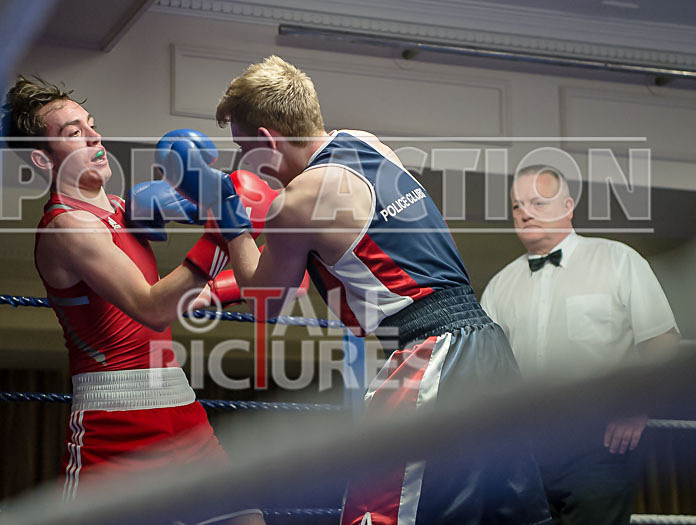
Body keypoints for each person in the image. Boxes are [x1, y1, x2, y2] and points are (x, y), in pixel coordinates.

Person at [156, 56, 552, 524]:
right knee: (511, 514)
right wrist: (225, 287)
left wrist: (231, 222)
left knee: (377, 516)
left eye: (245, 149)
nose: (248, 164)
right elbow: (330, 258)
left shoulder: (298, 201)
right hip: (488, 346)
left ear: (266, 140)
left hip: (427, 358)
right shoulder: (367, 143)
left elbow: (267, 302)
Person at [2, 76, 266, 524]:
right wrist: (219, 229)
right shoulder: (67, 228)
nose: (94, 136)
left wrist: (237, 271)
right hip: (116, 421)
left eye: (91, 124)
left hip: (181, 408)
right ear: (41, 159)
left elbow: (178, 292)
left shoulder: (128, 208)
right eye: (73, 133)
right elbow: (150, 306)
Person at [480, 165, 680, 525]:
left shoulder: (618, 260)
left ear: (568, 207)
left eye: (538, 202)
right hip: (523, 451)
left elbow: (661, 342)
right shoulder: (499, 286)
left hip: (600, 443)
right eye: (516, 205)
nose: (525, 212)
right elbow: (488, 368)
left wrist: (636, 408)